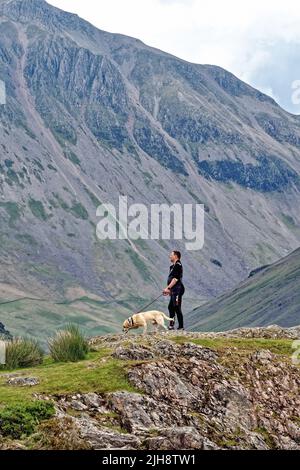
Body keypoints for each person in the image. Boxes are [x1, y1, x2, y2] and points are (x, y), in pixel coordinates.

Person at [163, 250, 185, 330]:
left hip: (178, 289)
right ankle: (171, 325)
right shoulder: (172, 267)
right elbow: (171, 279)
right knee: (170, 307)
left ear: (176, 256)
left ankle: (181, 327)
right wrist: (169, 289)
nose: (170, 256)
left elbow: (175, 279)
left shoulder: (178, 265)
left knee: (176, 307)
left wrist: (168, 288)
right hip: (173, 289)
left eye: (171, 255)